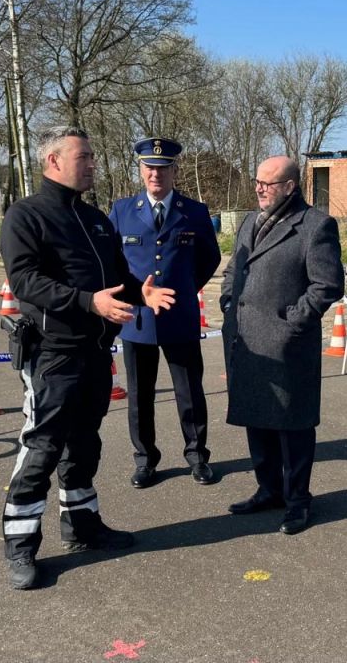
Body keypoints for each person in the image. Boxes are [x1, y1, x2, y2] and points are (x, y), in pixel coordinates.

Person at [0, 125, 176, 590]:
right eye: (85, 156)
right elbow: (26, 283)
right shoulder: (26, 215)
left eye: (94, 156)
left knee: (86, 445)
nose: (94, 163)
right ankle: (20, 545)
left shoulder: (96, 218)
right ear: (54, 161)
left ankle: (82, 525)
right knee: (42, 449)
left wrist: (144, 292)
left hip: (96, 353)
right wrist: (87, 303)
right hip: (53, 354)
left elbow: (118, 276)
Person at [220, 156, 344, 535]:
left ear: (290, 187)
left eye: (268, 183)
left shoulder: (315, 225)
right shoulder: (248, 222)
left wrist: (292, 321)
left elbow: (327, 284)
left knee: (293, 428)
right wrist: (229, 303)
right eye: (257, 181)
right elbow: (232, 270)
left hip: (286, 345)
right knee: (257, 419)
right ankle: (268, 489)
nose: (259, 188)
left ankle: (297, 501)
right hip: (246, 342)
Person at [109, 137, 221, 489]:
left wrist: (185, 289)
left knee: (189, 392)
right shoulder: (122, 211)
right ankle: (145, 459)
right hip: (138, 319)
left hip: (179, 316)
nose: (155, 174)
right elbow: (112, 262)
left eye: (162, 168)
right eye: (149, 168)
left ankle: (197, 456)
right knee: (139, 396)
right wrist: (133, 295)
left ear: (174, 170)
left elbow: (210, 259)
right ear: (141, 170)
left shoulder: (195, 212)